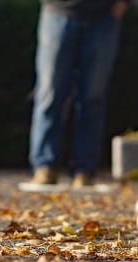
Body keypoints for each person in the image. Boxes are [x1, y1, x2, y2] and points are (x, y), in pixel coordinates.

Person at [28, 0, 129, 187]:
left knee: (93, 97)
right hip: (57, 11)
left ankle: (85, 169)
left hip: (103, 16)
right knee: (50, 93)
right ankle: (44, 165)